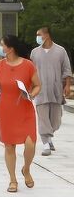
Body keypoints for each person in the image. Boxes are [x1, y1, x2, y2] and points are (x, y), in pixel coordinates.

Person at [0, 35, 41, 193]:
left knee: (30, 143)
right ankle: (13, 180)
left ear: (11, 47)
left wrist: (31, 95)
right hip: (6, 109)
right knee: (9, 146)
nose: (0, 48)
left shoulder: (28, 65)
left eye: (2, 45)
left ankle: (26, 169)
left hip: (25, 108)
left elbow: (37, 85)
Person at [30, 27, 72, 156]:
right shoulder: (34, 52)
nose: (37, 37)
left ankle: (49, 136)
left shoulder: (60, 51)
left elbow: (66, 69)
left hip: (56, 90)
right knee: (43, 118)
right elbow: (30, 71)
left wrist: (67, 85)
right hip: (40, 91)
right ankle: (46, 143)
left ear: (47, 35)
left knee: (55, 121)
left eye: (39, 34)